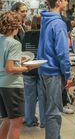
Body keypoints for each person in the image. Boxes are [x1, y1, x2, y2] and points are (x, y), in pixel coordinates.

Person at [37, 0, 72, 139]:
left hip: (43, 70)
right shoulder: (58, 23)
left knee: (48, 110)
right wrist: (68, 74)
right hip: (53, 72)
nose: (67, 3)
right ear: (58, 2)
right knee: (54, 112)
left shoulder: (45, 19)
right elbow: (62, 52)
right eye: (65, 0)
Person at [0, 11, 38, 139]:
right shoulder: (14, 43)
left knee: (6, 119)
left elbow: (4, 61)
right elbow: (10, 68)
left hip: (1, 85)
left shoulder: (1, 40)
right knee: (16, 122)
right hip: (12, 85)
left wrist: (19, 60)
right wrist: (28, 67)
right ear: (15, 26)